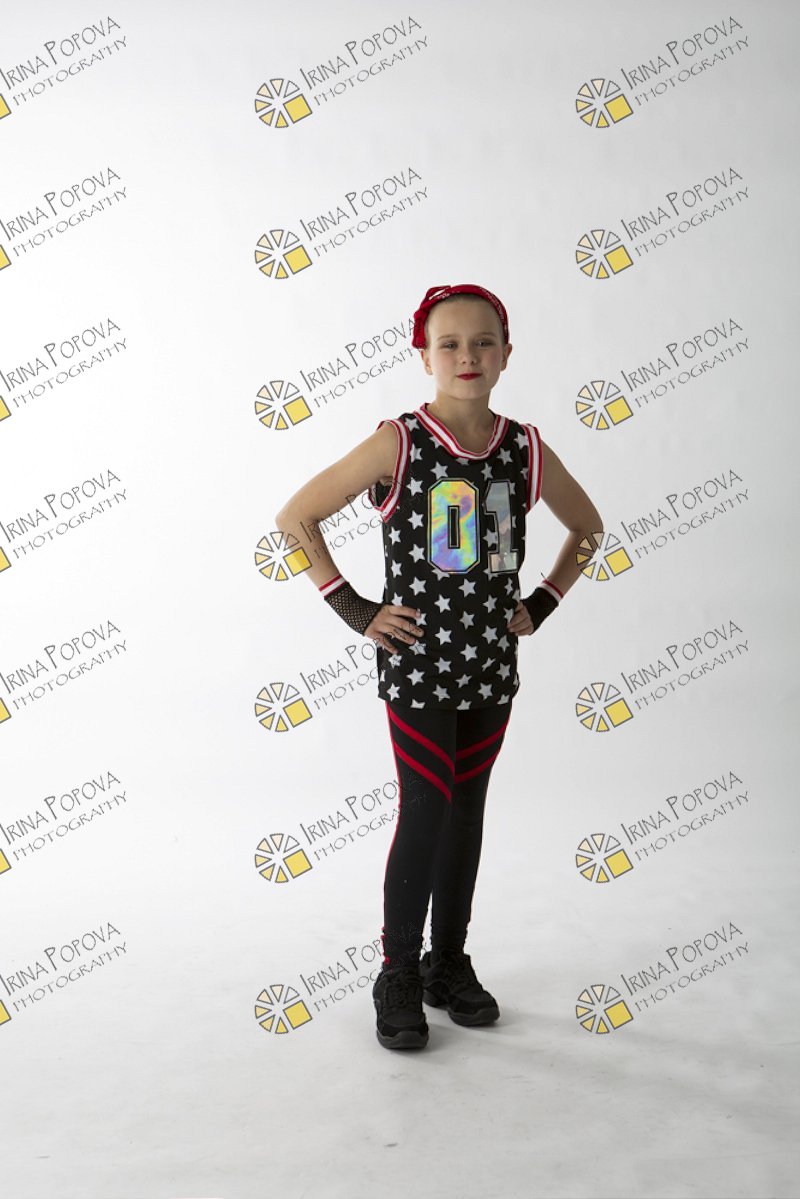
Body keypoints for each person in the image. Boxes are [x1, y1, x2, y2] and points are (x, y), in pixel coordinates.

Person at [275, 283, 603, 1051]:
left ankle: (446, 962)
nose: (468, 355)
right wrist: (355, 607)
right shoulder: (398, 441)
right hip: (419, 667)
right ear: (423, 355)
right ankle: (397, 971)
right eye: (449, 343)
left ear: (507, 354)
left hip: (490, 666)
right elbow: (296, 516)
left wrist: (543, 601)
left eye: (483, 341)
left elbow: (588, 527)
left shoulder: (525, 448)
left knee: (466, 814)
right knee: (425, 809)